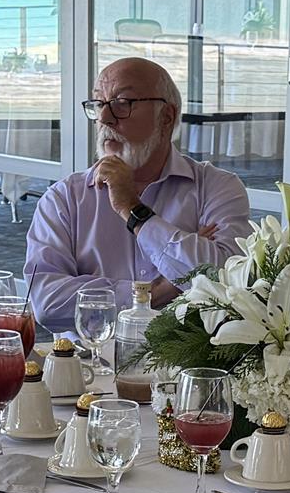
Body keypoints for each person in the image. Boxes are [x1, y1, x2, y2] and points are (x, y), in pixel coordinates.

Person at [23, 57, 252, 332]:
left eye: (122, 103)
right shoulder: (64, 199)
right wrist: (156, 291)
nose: (104, 118)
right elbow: (47, 303)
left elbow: (228, 280)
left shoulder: (216, 187)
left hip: (188, 358)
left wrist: (134, 210)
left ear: (166, 117)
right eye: (99, 104)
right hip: (91, 358)